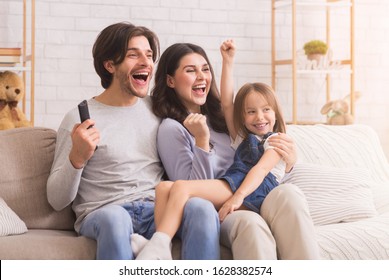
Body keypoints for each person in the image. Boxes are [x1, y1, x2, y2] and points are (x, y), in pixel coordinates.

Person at [46, 22, 221, 260]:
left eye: (149, 55)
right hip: (105, 212)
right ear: (109, 65)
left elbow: (208, 102)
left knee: (201, 208)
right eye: (133, 54)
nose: (146, 62)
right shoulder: (79, 119)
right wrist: (76, 158)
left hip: (155, 209)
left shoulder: (157, 109)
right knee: (116, 219)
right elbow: (56, 200)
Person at [135, 40, 319, 260]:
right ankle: (158, 245)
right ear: (170, 80)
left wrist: (289, 162)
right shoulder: (172, 129)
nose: (202, 76)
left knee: (290, 194)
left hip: (251, 192)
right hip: (222, 206)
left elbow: (228, 104)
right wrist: (201, 141)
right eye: (191, 70)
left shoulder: (224, 121)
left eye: (205, 69)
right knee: (249, 224)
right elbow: (193, 191)